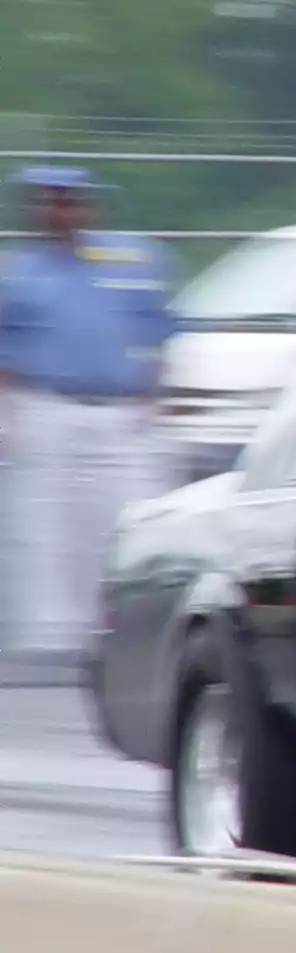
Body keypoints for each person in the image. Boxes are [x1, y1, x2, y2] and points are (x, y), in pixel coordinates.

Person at [0, 165, 178, 666]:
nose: (57, 211)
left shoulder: (132, 259)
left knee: (128, 520)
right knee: (46, 528)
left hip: (120, 410)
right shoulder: (19, 271)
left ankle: (129, 630)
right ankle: (54, 639)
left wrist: (156, 395)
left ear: (90, 206)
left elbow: (159, 329)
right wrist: (7, 416)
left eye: (68, 201)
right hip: (46, 407)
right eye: (47, 201)